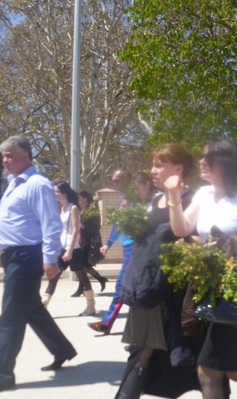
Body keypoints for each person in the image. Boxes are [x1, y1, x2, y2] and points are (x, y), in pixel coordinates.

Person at [166, 138, 237, 399]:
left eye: (208, 157)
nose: (201, 162)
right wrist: (173, 196)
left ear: (226, 162)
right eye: (201, 156)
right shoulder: (203, 194)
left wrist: (225, 245)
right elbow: (181, 229)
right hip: (208, 290)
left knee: (207, 372)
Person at [0, 136, 76, 397]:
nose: (5, 160)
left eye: (10, 155)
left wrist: (50, 259)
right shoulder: (14, 183)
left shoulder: (37, 184)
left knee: (11, 315)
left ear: (26, 156)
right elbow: (15, 219)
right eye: (3, 156)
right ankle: (63, 350)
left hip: (26, 257)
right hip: (12, 256)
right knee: (31, 309)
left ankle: (3, 375)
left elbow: (50, 223)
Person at [115, 144, 198, 399]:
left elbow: (185, 234)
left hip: (169, 289)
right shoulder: (155, 199)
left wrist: (174, 196)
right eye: (153, 165)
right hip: (147, 283)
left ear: (178, 168)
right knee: (140, 350)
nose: (153, 170)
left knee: (143, 350)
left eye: (159, 165)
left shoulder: (192, 198)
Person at [87, 171, 156, 335]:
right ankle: (135, 328)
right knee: (129, 286)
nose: (115, 184)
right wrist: (108, 244)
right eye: (113, 181)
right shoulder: (123, 199)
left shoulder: (138, 199)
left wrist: (132, 206)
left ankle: (108, 323)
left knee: (122, 285)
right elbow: (118, 224)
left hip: (135, 246)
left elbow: (144, 220)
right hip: (127, 247)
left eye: (118, 181)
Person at [41, 180, 96, 316]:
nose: (55, 194)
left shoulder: (73, 208)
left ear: (64, 193)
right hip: (61, 248)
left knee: (82, 277)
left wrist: (70, 250)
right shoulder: (62, 209)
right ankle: (43, 305)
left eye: (57, 192)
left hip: (73, 249)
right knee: (54, 276)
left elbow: (76, 230)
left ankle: (91, 306)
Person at [69, 190, 108, 298]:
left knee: (82, 266)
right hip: (80, 240)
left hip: (88, 241)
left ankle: (81, 289)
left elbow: (96, 227)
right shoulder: (79, 210)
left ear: (85, 198)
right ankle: (100, 279)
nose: (78, 200)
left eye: (80, 198)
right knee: (84, 266)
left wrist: (83, 225)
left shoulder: (92, 210)